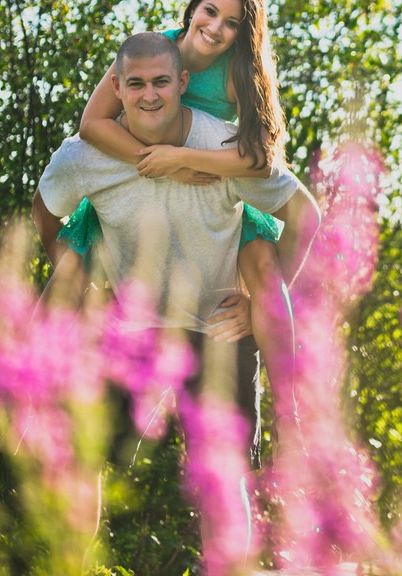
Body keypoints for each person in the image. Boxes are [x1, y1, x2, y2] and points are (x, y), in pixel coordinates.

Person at [32, 31, 320, 448]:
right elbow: (44, 211)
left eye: (161, 83)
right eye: (136, 83)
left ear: (183, 82)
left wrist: (263, 304)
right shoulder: (85, 156)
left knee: (228, 476)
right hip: (129, 332)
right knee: (88, 460)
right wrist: (86, 286)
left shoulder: (224, 148)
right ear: (116, 86)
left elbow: (304, 215)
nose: (150, 95)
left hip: (218, 331)